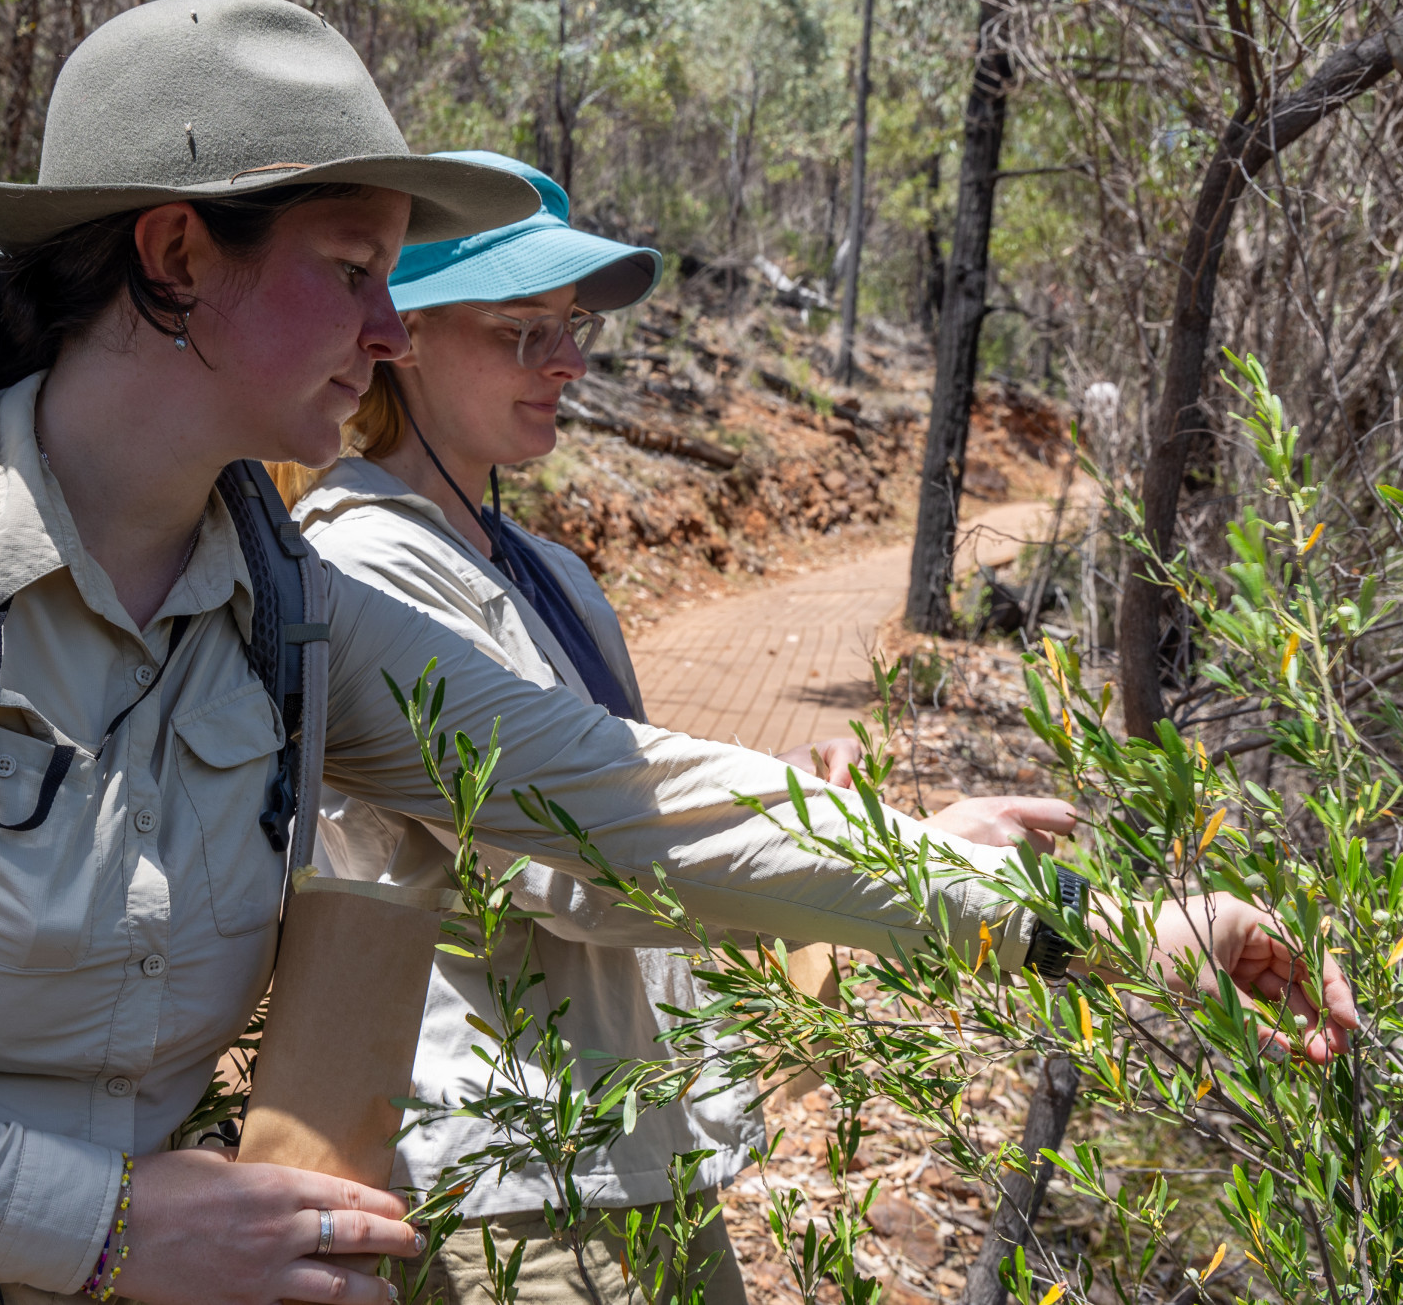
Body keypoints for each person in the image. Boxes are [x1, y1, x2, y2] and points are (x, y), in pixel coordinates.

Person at [0, 0, 1358, 1305]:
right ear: (173, 255)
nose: (388, 321)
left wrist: (1095, 927)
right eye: (348, 264)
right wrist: (99, 1222)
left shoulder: (282, 613)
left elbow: (617, 802)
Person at [273, 152, 1096, 1304]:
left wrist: (903, 833)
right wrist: (944, 878)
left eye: (569, 328)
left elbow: (659, 837)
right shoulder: (371, 561)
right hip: (521, 1184)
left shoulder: (539, 567)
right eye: (522, 332)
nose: (565, 361)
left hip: (637, 1155)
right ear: (395, 338)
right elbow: (587, 865)